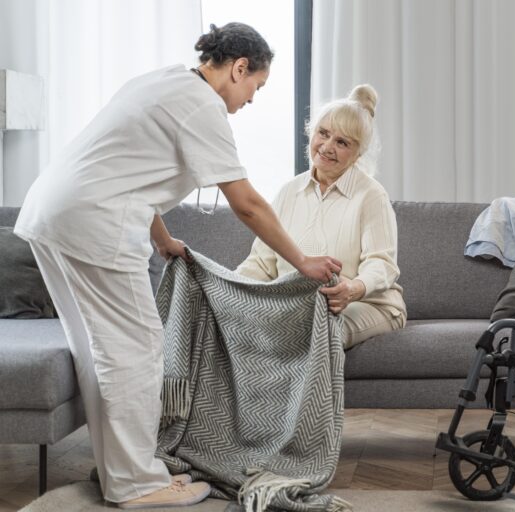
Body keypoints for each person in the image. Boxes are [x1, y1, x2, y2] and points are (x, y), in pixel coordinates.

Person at [13, 23, 341, 509]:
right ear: (238, 68)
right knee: (139, 351)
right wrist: (302, 260)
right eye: (257, 86)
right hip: (93, 227)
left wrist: (163, 239)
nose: (253, 99)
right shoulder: (202, 106)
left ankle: (122, 474)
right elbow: (247, 203)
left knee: (100, 352)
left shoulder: (164, 81)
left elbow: (129, 168)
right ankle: (137, 484)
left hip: (53, 216)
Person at [236, 84, 406, 349]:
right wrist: (231, 290)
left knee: (316, 331)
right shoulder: (288, 192)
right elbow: (261, 263)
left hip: (369, 304)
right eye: (323, 134)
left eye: (342, 142)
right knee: (249, 328)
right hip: (299, 306)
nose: (327, 147)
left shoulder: (372, 196)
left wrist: (354, 289)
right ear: (311, 133)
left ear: (358, 152)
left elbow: (382, 265)